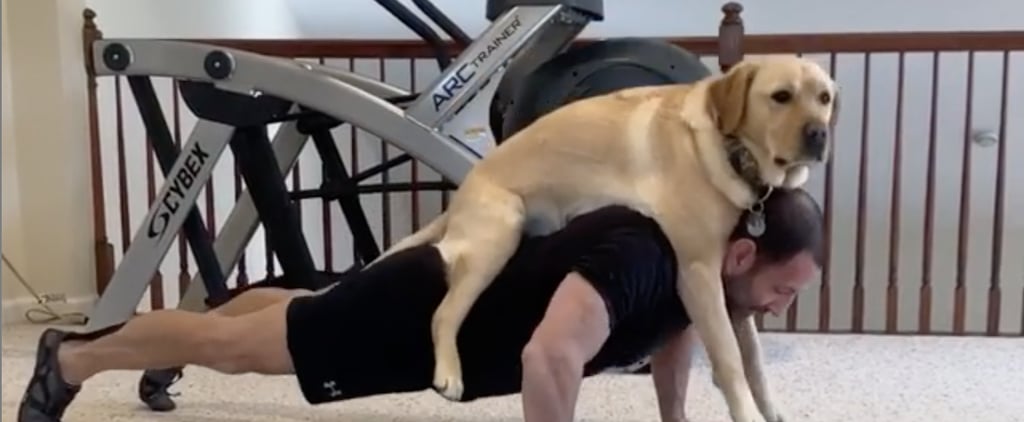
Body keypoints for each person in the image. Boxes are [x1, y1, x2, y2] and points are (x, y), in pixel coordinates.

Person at [18, 187, 823, 422]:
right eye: (783, 291)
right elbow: (550, 357)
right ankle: (74, 356)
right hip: (411, 320)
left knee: (298, 311)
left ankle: (179, 338)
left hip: (430, 295)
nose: (780, 309)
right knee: (240, 349)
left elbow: (677, 330)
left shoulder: (694, 271)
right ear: (743, 254)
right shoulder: (643, 257)